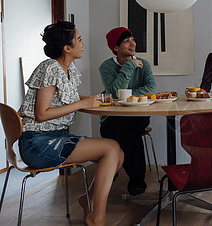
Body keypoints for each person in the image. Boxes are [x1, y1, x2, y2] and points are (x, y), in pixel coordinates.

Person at [18, 21, 124, 226]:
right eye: (79, 39)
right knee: (111, 148)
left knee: (119, 153)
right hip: (38, 144)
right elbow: (41, 114)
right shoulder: (50, 68)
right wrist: (83, 102)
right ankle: (97, 217)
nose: (83, 43)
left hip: (56, 137)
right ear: (67, 48)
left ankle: (88, 201)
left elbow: (70, 99)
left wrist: (94, 99)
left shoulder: (67, 68)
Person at [99, 27, 157, 196]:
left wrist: (126, 96)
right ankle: (136, 182)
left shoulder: (144, 64)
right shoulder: (106, 67)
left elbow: (151, 88)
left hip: (138, 114)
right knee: (128, 132)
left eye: (132, 39)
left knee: (125, 128)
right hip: (114, 116)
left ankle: (113, 166)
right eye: (126, 40)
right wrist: (129, 67)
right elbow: (115, 93)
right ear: (115, 48)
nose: (132, 43)